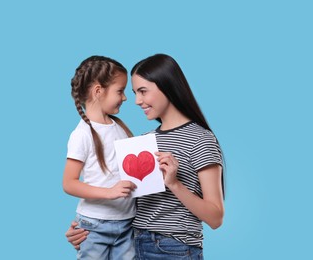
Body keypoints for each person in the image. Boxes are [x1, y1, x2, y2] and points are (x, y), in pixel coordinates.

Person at [66, 53, 225, 259]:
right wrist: (88, 227)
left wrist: (175, 184)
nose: (136, 101)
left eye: (142, 91)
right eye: (133, 92)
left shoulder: (200, 139)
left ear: (166, 86)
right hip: (134, 242)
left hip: (174, 250)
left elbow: (215, 218)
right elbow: (123, 196)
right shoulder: (141, 142)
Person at [63, 55, 137, 260]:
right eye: (120, 91)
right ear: (98, 91)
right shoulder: (82, 134)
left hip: (127, 222)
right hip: (94, 224)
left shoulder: (120, 128)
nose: (125, 98)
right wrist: (109, 192)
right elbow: (69, 183)